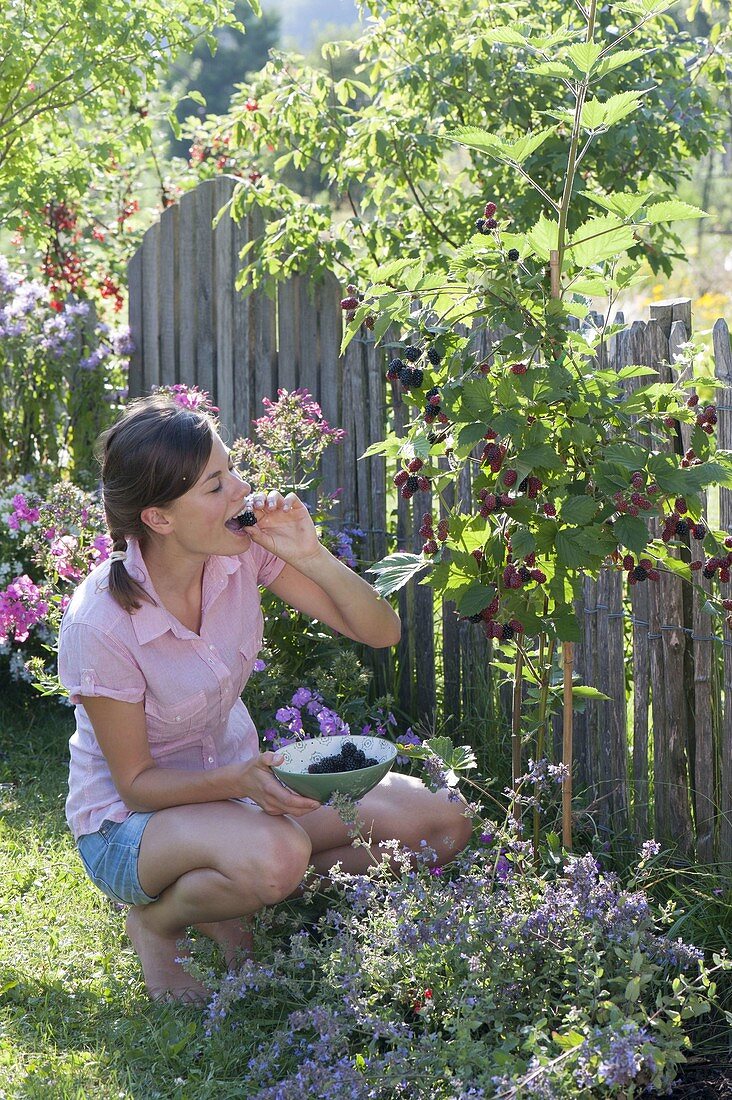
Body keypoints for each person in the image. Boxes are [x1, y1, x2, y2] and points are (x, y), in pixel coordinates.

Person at [58, 394, 472, 1003]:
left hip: (244, 792)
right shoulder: (101, 626)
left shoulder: (241, 553)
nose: (243, 492)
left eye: (234, 472)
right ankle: (159, 919)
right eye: (216, 485)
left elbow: (379, 631)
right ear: (160, 518)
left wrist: (308, 552)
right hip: (133, 828)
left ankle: (243, 890)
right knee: (281, 852)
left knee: (442, 821)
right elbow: (137, 783)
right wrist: (241, 783)